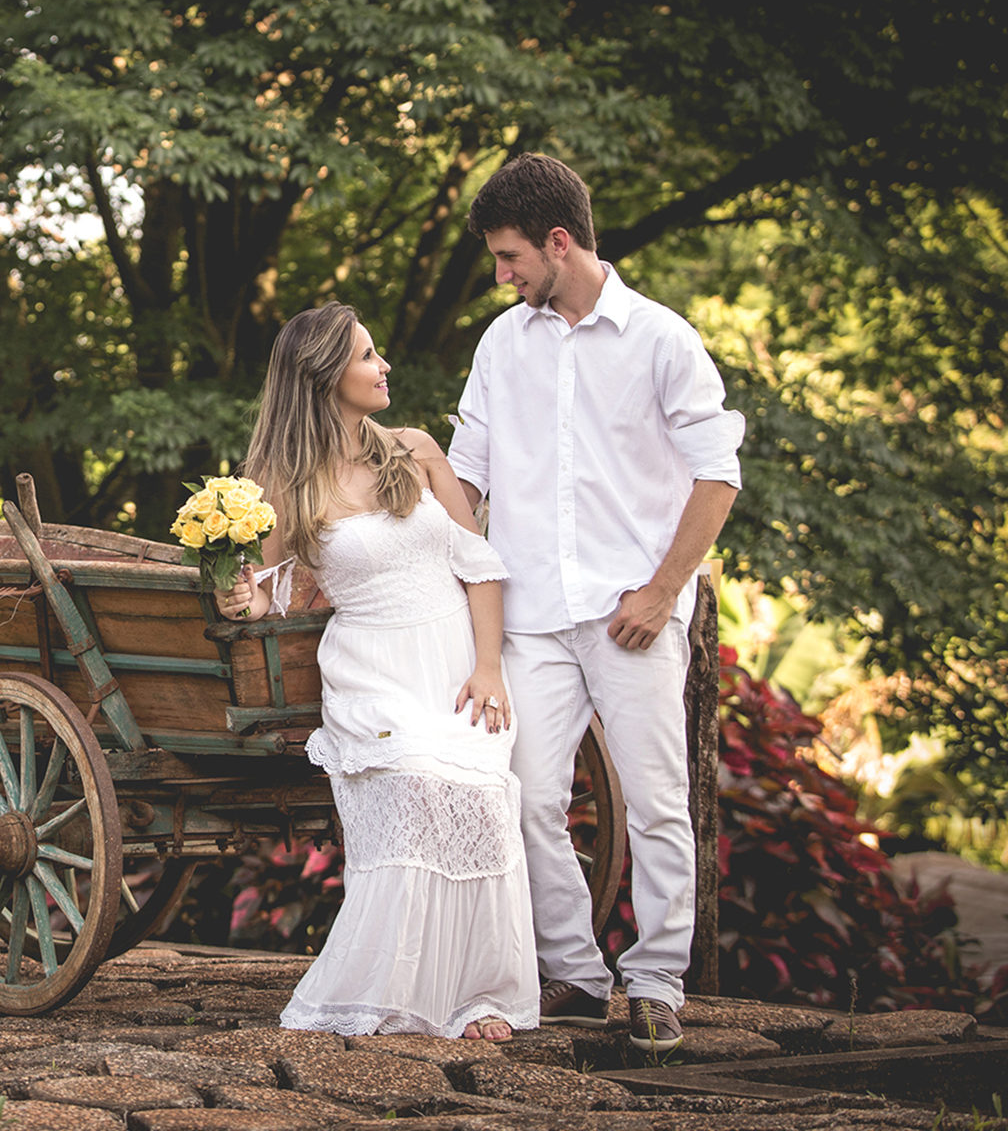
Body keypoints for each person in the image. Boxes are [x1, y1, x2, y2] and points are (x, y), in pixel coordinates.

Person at [447, 152, 744, 1054]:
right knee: (525, 795)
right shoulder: (503, 344)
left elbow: (718, 473)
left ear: (559, 241)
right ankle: (572, 969)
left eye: (510, 258)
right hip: (531, 616)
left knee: (656, 800)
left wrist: (663, 591)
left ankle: (656, 980)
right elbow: (467, 477)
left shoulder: (661, 339)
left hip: (631, 615)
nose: (503, 276)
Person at [216, 302, 537, 1042]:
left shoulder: (414, 450)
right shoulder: (277, 480)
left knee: (485, 797)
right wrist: (240, 596)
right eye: (367, 355)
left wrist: (489, 666)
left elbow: (478, 564)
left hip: (454, 661)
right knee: (415, 781)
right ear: (325, 374)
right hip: (372, 668)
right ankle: (389, 993)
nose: (383, 365)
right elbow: (267, 595)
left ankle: (479, 996)